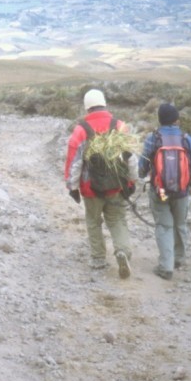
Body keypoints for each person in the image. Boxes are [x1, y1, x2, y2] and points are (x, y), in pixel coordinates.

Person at [63, 89, 135, 278]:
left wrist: (72, 187)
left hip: (90, 189)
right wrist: (132, 181)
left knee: (93, 222)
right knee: (117, 220)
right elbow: (131, 158)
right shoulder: (119, 126)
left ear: (87, 107)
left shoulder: (81, 130)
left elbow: (74, 162)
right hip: (116, 186)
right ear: (104, 103)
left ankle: (98, 259)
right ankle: (122, 252)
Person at [138, 103, 191, 280]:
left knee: (164, 226)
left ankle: (166, 267)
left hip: (160, 192)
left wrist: (143, 174)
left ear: (160, 120)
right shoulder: (187, 139)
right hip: (182, 192)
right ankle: (178, 259)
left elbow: (142, 167)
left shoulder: (153, 138)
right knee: (180, 225)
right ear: (177, 120)